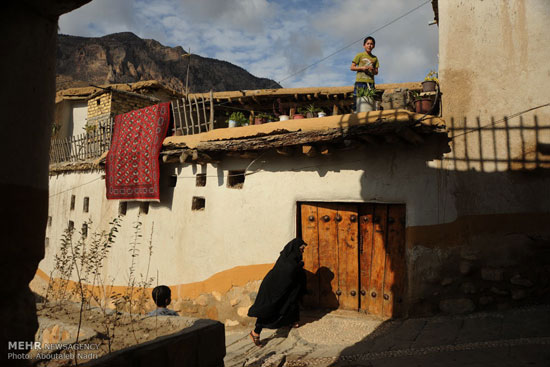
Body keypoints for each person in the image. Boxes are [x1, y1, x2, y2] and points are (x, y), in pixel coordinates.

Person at [247, 238, 307, 347]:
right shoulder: (288, 260)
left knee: (288, 304)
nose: (302, 251)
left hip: (283, 288)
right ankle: (255, 332)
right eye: (301, 249)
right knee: (268, 309)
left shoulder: (292, 258)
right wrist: (298, 267)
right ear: (295, 248)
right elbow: (288, 273)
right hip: (273, 289)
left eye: (303, 249)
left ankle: (292, 321)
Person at [350, 36, 379, 109]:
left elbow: (376, 72)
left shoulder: (375, 58)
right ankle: (355, 116)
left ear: (374, 46)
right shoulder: (359, 55)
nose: (369, 45)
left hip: (370, 83)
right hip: (360, 82)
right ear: (364, 45)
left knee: (370, 101)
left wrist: (372, 70)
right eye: (368, 43)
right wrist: (362, 68)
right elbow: (352, 67)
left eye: (371, 44)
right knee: (356, 100)